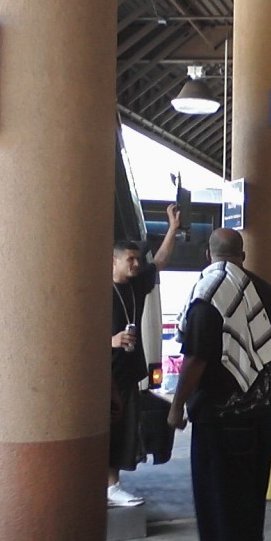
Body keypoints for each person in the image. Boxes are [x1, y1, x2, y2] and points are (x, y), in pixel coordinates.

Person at [167, 228, 271, 541]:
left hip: (225, 416)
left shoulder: (209, 294)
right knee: (248, 490)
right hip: (265, 410)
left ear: (208, 254)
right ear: (243, 254)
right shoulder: (265, 290)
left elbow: (197, 358)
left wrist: (176, 405)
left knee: (228, 493)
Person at [108, 203, 180, 507]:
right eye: (130, 260)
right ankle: (108, 487)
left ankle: (112, 486)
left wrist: (173, 228)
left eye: (137, 259)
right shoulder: (95, 290)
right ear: (113, 262)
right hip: (104, 376)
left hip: (127, 374)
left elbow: (160, 260)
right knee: (107, 433)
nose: (136, 264)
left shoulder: (136, 286)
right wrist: (110, 340)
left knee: (123, 433)